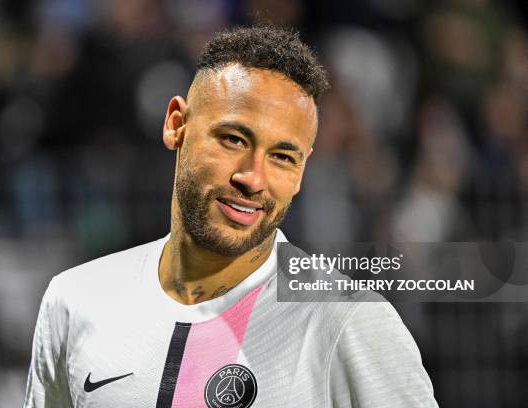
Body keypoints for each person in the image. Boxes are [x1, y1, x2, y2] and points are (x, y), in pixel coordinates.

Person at [24, 26, 438, 408]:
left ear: (301, 174)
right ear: (176, 125)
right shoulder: (76, 301)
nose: (253, 178)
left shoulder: (348, 319)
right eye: (233, 139)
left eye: (282, 157)